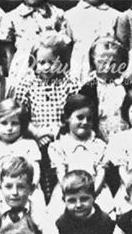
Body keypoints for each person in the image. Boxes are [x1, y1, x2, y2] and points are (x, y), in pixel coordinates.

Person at [11, 30, 81, 196]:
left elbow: (76, 113)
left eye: (52, 62)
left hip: (63, 136)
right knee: (40, 173)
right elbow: (20, 116)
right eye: (41, 62)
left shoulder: (70, 84)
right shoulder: (27, 84)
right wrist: (35, 131)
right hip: (36, 138)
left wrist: (59, 129)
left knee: (63, 171)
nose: (46, 67)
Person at [47, 94, 111, 214]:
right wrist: (71, 195)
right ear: (67, 118)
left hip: (95, 191)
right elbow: (61, 173)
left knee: (104, 217)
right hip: (67, 191)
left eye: (89, 118)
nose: (85, 122)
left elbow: (101, 172)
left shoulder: (99, 145)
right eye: (80, 117)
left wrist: (91, 195)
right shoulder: (59, 146)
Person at [2, 0, 65, 82]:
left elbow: (65, 45)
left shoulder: (56, 14)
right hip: (22, 68)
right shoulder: (12, 17)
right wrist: (10, 73)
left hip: (50, 68)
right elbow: (8, 50)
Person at [64, 0, 118, 82]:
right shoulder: (70, 16)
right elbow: (66, 49)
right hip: (79, 69)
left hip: (106, 69)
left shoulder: (115, 16)